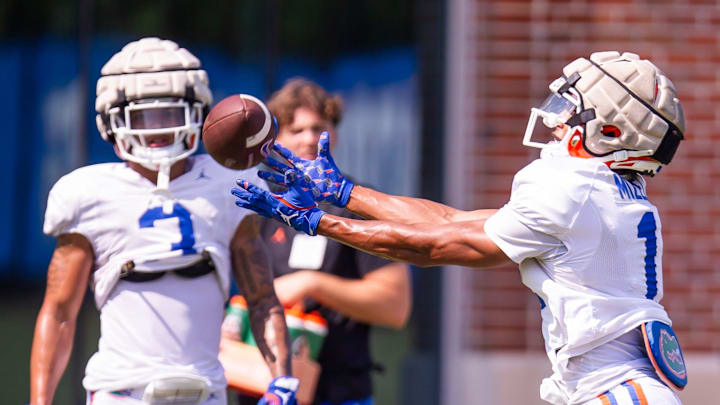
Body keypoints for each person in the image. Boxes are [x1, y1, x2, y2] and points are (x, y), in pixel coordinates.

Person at [232, 52, 688, 404]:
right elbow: (452, 219)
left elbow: (439, 246)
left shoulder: (574, 189)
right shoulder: (605, 189)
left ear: (609, 134)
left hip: (613, 390)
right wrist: (346, 194)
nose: (556, 119)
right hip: (611, 384)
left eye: (573, 111)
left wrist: (319, 223)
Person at [30, 37, 298, 405]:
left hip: (205, 391)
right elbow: (60, 312)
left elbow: (262, 298)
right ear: (112, 119)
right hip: (123, 393)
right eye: (142, 116)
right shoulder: (88, 194)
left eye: (169, 115)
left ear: (198, 113)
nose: (155, 130)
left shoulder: (230, 186)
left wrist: (282, 380)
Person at [229, 78, 412, 405]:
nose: (310, 139)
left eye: (319, 128)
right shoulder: (258, 207)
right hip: (263, 389)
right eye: (296, 130)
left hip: (342, 393)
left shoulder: (356, 205)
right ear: (274, 141)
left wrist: (311, 284)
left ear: (335, 135)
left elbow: (395, 308)